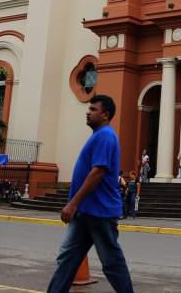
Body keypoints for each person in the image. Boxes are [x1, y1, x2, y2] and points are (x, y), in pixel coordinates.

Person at [46, 94, 134, 292]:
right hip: (85, 212)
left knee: (111, 263)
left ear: (105, 114)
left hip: (99, 212)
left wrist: (73, 203)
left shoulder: (105, 136)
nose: (88, 112)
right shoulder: (98, 135)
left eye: (93, 109)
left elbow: (98, 172)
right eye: (89, 108)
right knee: (67, 259)